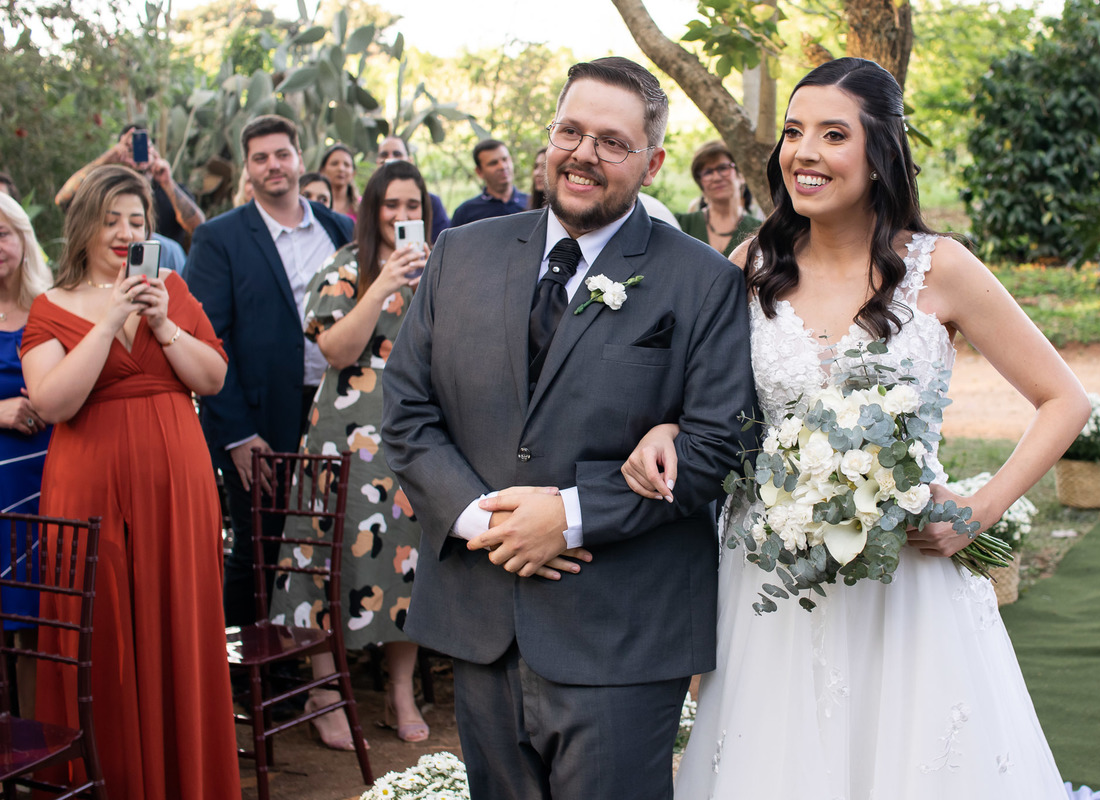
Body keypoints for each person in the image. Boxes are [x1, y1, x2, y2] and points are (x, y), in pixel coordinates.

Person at [621, 58, 1091, 799]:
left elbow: (1065, 400)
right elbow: (699, 405)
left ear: (879, 155)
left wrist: (977, 510)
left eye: (833, 134)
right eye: (794, 132)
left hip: (904, 580)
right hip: (769, 581)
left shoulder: (944, 270)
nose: (804, 152)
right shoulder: (748, 266)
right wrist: (665, 432)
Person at [380, 56, 754, 800]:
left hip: (621, 629)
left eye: (612, 142)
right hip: (482, 618)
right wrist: (488, 521)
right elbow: (407, 409)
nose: (583, 153)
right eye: (570, 130)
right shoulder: (463, 253)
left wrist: (571, 517)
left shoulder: (704, 280)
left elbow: (719, 444)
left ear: (650, 164)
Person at [19, 165, 239, 799]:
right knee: (106, 633)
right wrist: (110, 318)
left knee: (181, 626)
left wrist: (166, 323)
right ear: (84, 224)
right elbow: (54, 401)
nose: (124, 232)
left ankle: (184, 778)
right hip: (90, 493)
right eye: (111, 219)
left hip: (178, 491)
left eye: (137, 222)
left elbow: (212, 378)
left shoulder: (171, 285)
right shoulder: (50, 306)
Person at [271, 159, 430, 749]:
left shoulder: (442, 268)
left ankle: (399, 692)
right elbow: (337, 351)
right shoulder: (344, 268)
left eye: (412, 205)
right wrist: (384, 282)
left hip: (415, 435)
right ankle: (324, 690)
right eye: (391, 205)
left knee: (406, 562)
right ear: (372, 210)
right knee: (328, 556)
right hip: (344, 435)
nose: (402, 216)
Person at [186, 115, 355, 628]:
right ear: (248, 168)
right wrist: (236, 433)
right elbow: (207, 339)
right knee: (260, 547)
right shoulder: (219, 238)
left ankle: (311, 656)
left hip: (336, 407)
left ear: (300, 159)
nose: (273, 165)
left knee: (328, 540)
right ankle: (245, 681)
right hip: (261, 420)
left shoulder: (339, 228)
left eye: (282, 154)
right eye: (260, 158)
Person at [0, 193, 52, 720]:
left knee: (41, 615)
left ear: (22, 238)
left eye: (2, 232)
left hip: (50, 474)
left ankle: (43, 751)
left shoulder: (52, 303)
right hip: (0, 481)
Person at [54, 125, 205, 249]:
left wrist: (167, 182)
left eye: (143, 147)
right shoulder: (108, 191)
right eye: (130, 148)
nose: (137, 154)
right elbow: (64, 200)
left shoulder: (171, 190)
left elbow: (199, 228)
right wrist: (107, 159)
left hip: (165, 266)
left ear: (153, 150)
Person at [675, 141, 762, 257]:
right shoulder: (682, 224)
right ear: (700, 183)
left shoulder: (759, 230)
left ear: (740, 175)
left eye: (723, 168)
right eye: (708, 172)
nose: (716, 177)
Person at [376, 135, 450, 243]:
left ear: (409, 160)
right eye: (391, 205)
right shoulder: (366, 201)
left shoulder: (432, 201)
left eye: (413, 206)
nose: (390, 159)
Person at [448, 138, 528, 227]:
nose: (502, 166)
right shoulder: (466, 212)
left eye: (505, 159)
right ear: (479, 171)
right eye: (493, 163)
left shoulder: (533, 204)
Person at [320, 143, 359, 221]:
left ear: (353, 173)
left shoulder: (362, 207)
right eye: (334, 164)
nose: (341, 168)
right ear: (323, 170)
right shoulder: (314, 202)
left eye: (346, 165)